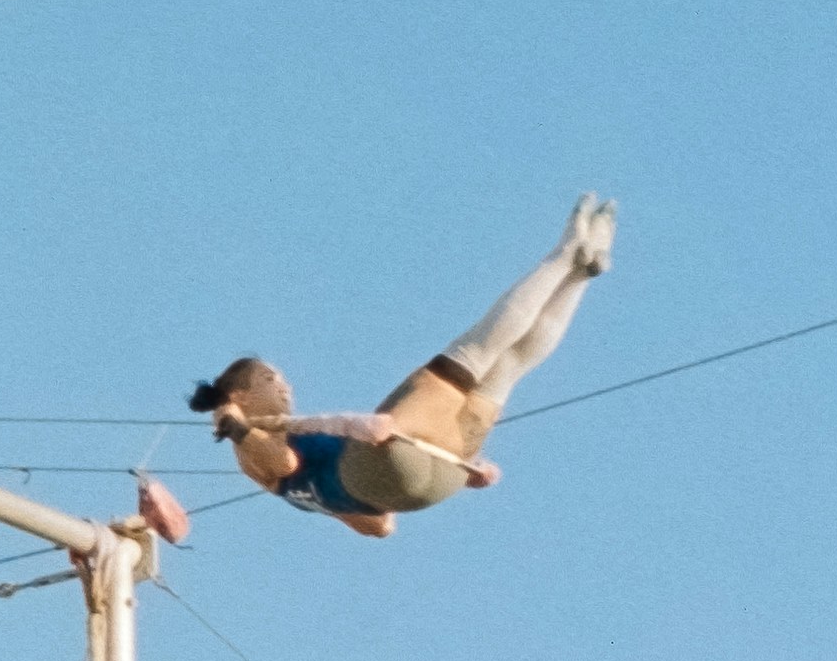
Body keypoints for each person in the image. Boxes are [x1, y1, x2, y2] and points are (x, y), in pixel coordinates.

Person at [189, 193, 614, 536]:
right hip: (383, 464)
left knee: (511, 363)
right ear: (240, 394)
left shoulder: (294, 482)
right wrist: (235, 422)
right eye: (269, 379)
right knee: (479, 349)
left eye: (282, 380)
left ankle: (579, 276)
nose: (285, 388)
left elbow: (380, 527)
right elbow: (282, 463)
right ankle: (565, 258)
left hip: (424, 486)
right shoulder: (251, 445)